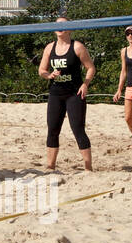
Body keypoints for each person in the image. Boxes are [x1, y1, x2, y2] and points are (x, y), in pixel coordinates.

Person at [38, 17, 96, 171]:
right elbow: (41, 70)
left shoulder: (77, 47)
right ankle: (50, 166)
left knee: (77, 128)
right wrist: (48, 75)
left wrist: (85, 84)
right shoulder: (49, 48)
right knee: (52, 129)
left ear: (69, 29)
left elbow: (90, 68)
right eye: (57, 25)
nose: (60, 27)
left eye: (64, 25)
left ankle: (88, 167)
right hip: (56, 93)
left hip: (74, 93)